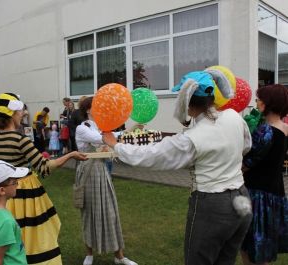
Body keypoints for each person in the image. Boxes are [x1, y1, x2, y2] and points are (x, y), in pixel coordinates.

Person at [103, 71, 253, 265]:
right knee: (226, 260)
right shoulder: (234, 116)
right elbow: (246, 146)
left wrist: (115, 144)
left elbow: (151, 155)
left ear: (187, 102)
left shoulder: (193, 138)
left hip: (213, 205)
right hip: (242, 199)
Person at [0, 93, 87, 264]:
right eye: (20, 112)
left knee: (12, 234)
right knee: (34, 235)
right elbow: (44, 168)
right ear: (12, 115)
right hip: (26, 193)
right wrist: (70, 155)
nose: (23, 114)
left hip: (6, 194)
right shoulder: (21, 140)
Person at [75, 96, 138, 265]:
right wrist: (123, 133)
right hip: (88, 172)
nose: (102, 109)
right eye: (97, 107)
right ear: (88, 110)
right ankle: (89, 254)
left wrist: (130, 129)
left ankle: (119, 257)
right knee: (89, 212)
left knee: (110, 211)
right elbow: (100, 139)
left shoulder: (101, 128)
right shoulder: (83, 128)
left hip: (101, 170)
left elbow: (109, 137)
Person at [241, 84, 288, 265]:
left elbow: (247, 164)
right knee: (264, 245)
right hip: (275, 194)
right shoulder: (285, 128)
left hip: (256, 195)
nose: (257, 102)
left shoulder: (265, 131)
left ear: (268, 103)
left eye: (259, 99)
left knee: (249, 247)